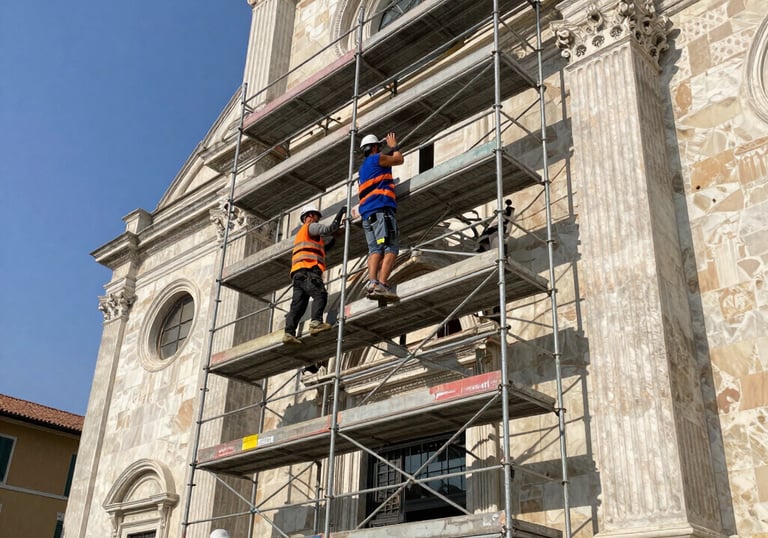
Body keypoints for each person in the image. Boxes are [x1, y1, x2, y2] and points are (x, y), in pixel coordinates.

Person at [283, 204, 346, 345]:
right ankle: (316, 323)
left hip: (298, 274)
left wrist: (334, 238)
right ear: (310, 216)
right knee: (320, 294)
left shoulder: (304, 235)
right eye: (317, 216)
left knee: (298, 306)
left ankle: (289, 333)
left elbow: (322, 248)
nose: (318, 219)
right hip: (308, 271)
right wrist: (341, 212)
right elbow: (329, 228)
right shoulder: (310, 227)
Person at [358, 132, 404, 301]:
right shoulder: (376, 159)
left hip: (368, 215)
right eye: (378, 146)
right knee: (391, 247)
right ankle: (382, 284)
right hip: (381, 210)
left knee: (375, 249)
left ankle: (372, 283)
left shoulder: (363, 168)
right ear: (374, 147)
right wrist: (394, 146)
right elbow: (399, 159)